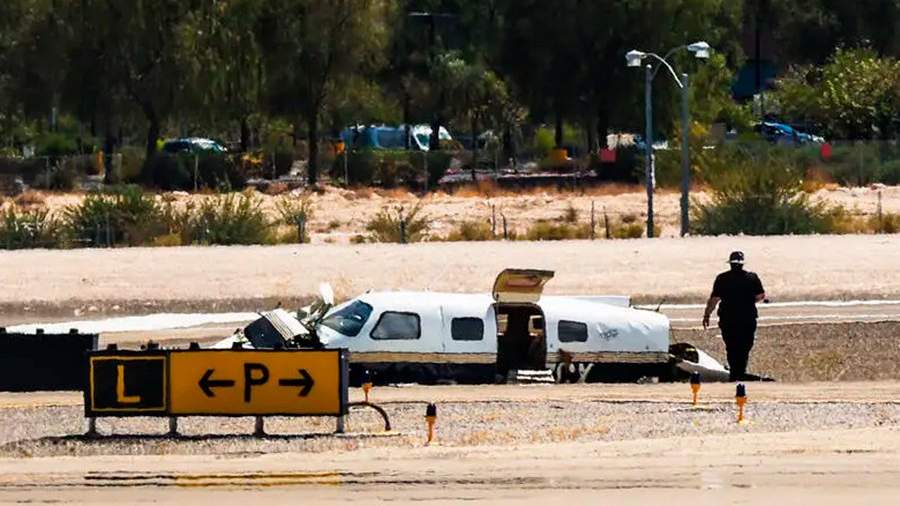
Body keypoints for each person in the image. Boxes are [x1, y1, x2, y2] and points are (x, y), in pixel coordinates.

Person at [702, 251, 766, 381]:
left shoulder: (722, 278)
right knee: (744, 346)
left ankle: (735, 373)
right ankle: (739, 372)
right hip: (747, 318)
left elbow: (714, 299)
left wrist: (707, 315)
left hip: (728, 318)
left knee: (731, 346)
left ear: (730, 264)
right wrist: (747, 301)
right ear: (742, 264)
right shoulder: (752, 278)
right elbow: (760, 296)